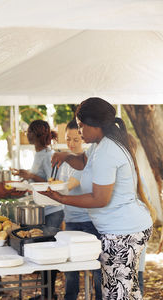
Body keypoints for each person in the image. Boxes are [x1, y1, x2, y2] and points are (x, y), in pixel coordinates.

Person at [41, 97, 155, 300]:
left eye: (81, 126)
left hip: (123, 234)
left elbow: (99, 199)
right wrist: (66, 156)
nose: (80, 131)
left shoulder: (107, 150)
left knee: (115, 294)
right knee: (128, 292)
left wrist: (61, 198)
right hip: (126, 228)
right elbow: (84, 162)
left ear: (95, 124)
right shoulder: (101, 145)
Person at [12, 120, 64, 300]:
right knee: (43, 252)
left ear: (36, 134)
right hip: (43, 209)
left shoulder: (48, 154)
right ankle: (46, 293)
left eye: (29, 131)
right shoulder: (39, 153)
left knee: (49, 253)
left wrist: (31, 176)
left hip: (53, 210)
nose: (26, 134)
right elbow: (37, 179)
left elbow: (51, 181)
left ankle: (49, 294)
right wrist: (25, 175)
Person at [58, 119, 101, 300]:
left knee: (96, 266)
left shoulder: (86, 160)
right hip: (71, 220)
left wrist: (48, 190)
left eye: (76, 139)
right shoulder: (65, 161)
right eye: (68, 139)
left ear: (83, 139)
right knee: (70, 267)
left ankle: (100, 296)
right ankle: (71, 297)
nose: (72, 143)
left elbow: (69, 185)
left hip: (89, 221)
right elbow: (61, 187)